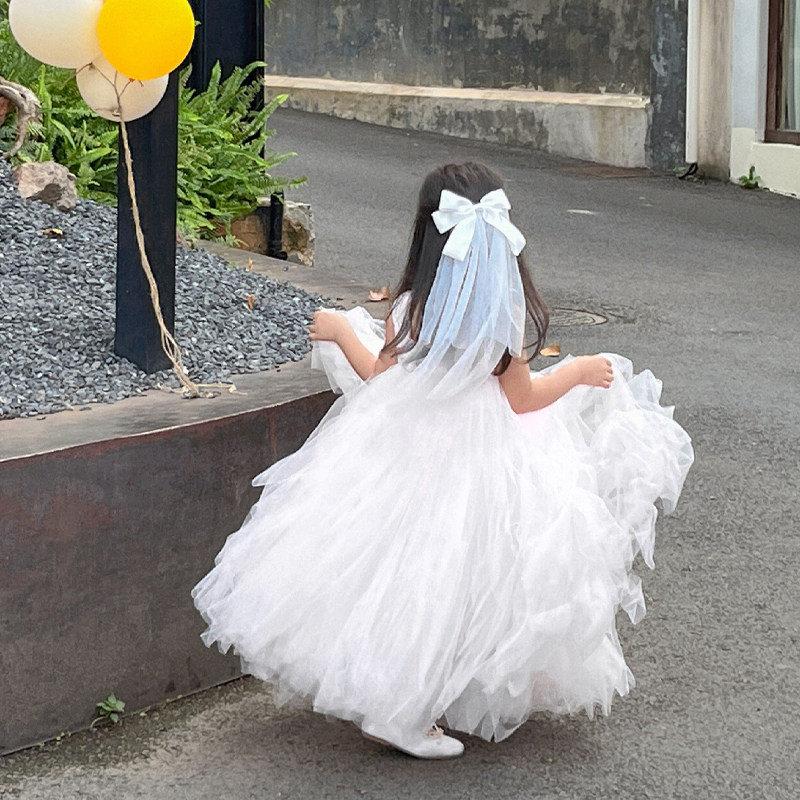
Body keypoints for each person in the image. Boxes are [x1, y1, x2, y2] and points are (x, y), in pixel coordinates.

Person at [193, 162, 694, 760]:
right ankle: (404, 712)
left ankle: (396, 691)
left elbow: (380, 378)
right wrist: (578, 373)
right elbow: (523, 400)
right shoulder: (499, 318)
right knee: (466, 579)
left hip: (403, 452)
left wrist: (343, 331)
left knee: (401, 573)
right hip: (483, 458)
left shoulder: (411, 308)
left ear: (427, 238)